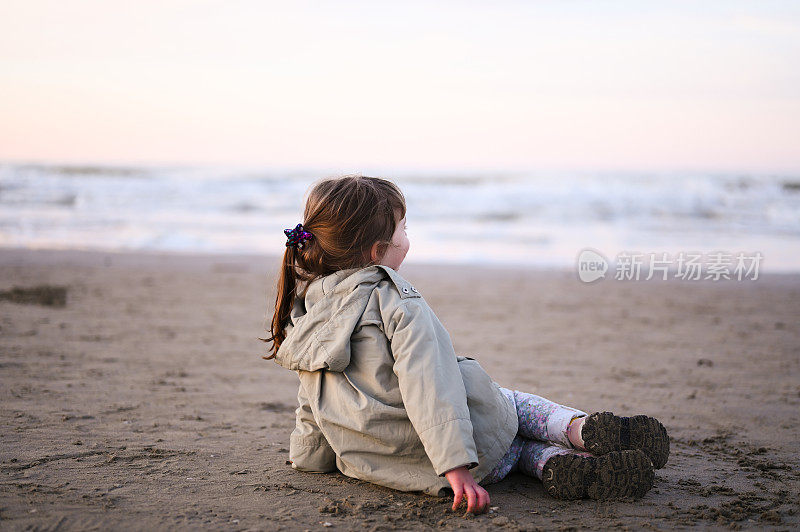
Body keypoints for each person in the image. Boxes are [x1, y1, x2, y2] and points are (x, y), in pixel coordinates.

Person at [263, 175, 669, 514]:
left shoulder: (307, 314)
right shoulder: (395, 301)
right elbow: (430, 382)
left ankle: (554, 464)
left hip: (390, 464)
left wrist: (309, 455)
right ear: (378, 252)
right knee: (511, 407)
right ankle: (580, 431)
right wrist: (455, 465)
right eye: (403, 229)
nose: (408, 237)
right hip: (459, 457)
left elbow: (313, 400)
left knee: (513, 451)